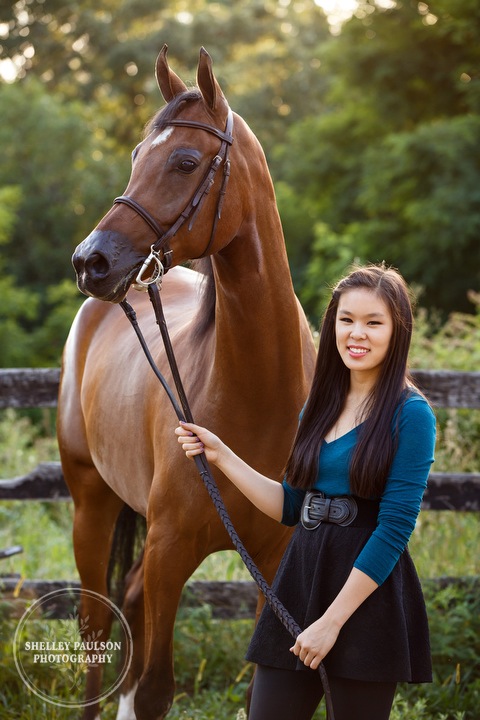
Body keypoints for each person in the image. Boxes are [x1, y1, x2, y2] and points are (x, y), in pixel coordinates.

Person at [175, 263, 436, 720]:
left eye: (374, 322)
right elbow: (292, 506)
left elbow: (395, 529)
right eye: (347, 319)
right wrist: (223, 457)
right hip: (300, 581)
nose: (358, 334)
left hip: (365, 598)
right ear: (332, 323)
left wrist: (331, 624)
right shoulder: (319, 405)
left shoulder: (411, 415)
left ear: (398, 331)